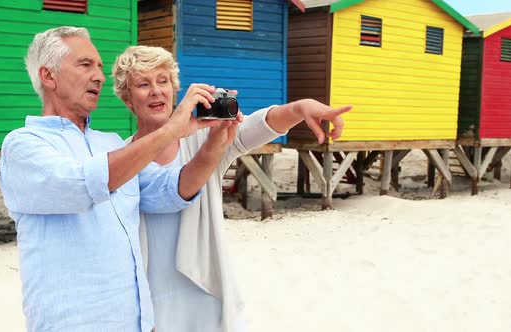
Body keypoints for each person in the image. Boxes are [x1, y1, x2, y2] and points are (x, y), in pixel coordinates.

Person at [0, 27, 240, 332]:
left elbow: (169, 192)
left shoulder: (110, 143)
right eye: (86, 65)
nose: (99, 76)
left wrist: (213, 145)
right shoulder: (24, 146)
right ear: (48, 76)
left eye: (100, 67)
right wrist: (172, 128)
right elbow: (84, 184)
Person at [111, 45, 352, 332]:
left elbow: (259, 126)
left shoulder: (205, 141)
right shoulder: (121, 158)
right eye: (143, 84)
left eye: (163, 81)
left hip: (206, 288)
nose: (156, 91)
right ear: (127, 98)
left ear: (174, 89)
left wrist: (299, 108)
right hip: (151, 296)